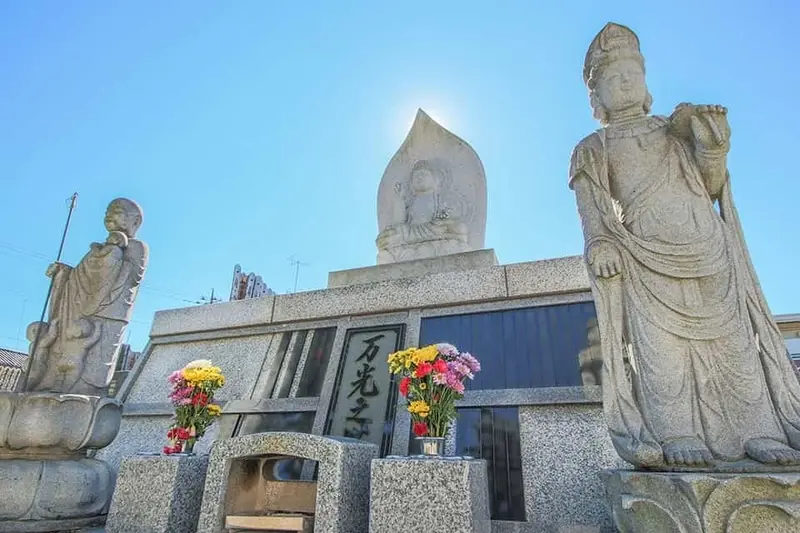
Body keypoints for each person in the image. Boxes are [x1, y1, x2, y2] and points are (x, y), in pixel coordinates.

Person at [570, 22, 800, 468]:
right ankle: (677, 431)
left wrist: (713, 149)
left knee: (735, 345)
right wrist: (600, 242)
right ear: (595, 94)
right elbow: (593, 212)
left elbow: (710, 186)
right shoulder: (593, 147)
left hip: (707, 246)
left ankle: (759, 429)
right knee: (661, 352)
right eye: (612, 77)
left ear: (645, 79)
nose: (625, 81)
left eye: (632, 71)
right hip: (644, 255)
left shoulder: (673, 131)